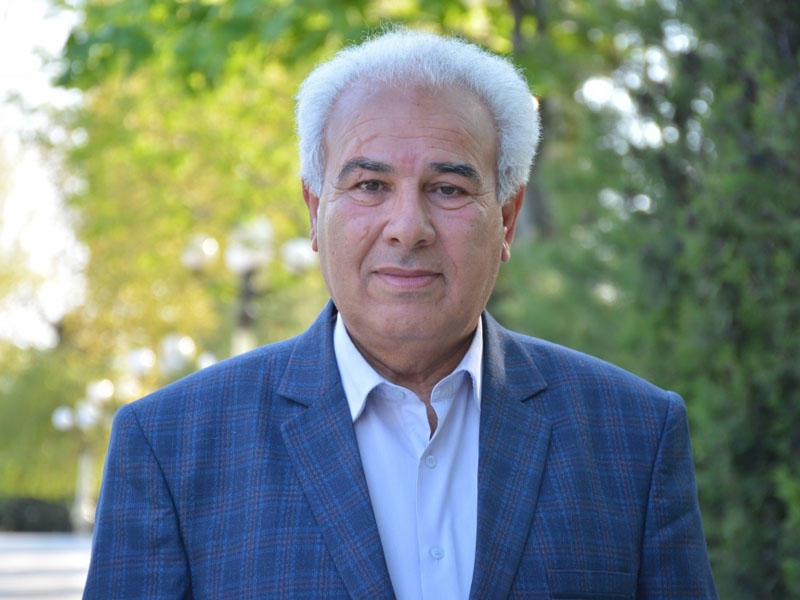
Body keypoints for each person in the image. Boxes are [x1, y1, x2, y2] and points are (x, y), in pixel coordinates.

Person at [83, 29, 717, 599]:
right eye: (369, 186)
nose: (407, 227)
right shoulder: (170, 446)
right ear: (314, 212)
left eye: (448, 188)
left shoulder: (634, 435)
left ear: (506, 219)